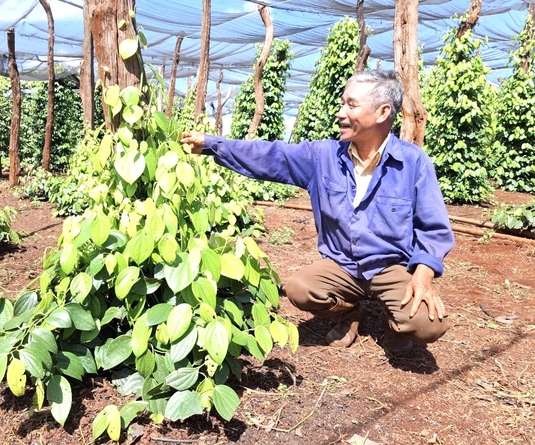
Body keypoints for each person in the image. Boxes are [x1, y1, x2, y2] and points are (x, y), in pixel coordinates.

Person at [180, 70, 454, 355]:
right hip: (342, 265)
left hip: (391, 266)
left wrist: (422, 275)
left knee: (427, 324)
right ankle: (348, 313)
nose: (340, 113)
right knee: (300, 288)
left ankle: (390, 318)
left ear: (382, 112)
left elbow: (433, 228)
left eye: (351, 105)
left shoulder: (412, 163)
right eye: (341, 104)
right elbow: (270, 154)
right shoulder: (323, 157)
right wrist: (212, 145)